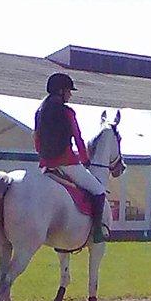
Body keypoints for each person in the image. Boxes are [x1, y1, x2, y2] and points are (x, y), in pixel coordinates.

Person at [34, 72, 108, 240]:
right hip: (68, 162)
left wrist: (44, 158)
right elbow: (78, 138)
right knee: (98, 191)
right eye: (68, 90)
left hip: (46, 165)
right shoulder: (68, 112)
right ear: (60, 91)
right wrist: (85, 159)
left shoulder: (40, 112)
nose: (70, 94)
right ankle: (97, 231)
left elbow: (37, 139)